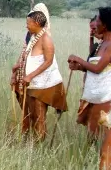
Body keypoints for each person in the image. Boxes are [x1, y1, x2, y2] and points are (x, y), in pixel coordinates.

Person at [11, 10, 68, 141]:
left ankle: (39, 144)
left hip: (43, 86)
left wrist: (30, 76)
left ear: (36, 23)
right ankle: (33, 143)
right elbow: (29, 58)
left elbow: (48, 61)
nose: (26, 26)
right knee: (31, 115)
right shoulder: (33, 37)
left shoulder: (46, 39)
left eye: (28, 23)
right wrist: (17, 69)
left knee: (39, 117)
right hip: (32, 85)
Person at [68, 7, 111, 141]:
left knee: (102, 138)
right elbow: (96, 69)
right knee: (92, 136)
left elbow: (98, 68)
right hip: (93, 96)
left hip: (105, 97)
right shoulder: (102, 44)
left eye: (98, 20)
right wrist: (79, 67)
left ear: (105, 25)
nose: (94, 24)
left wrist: (78, 59)